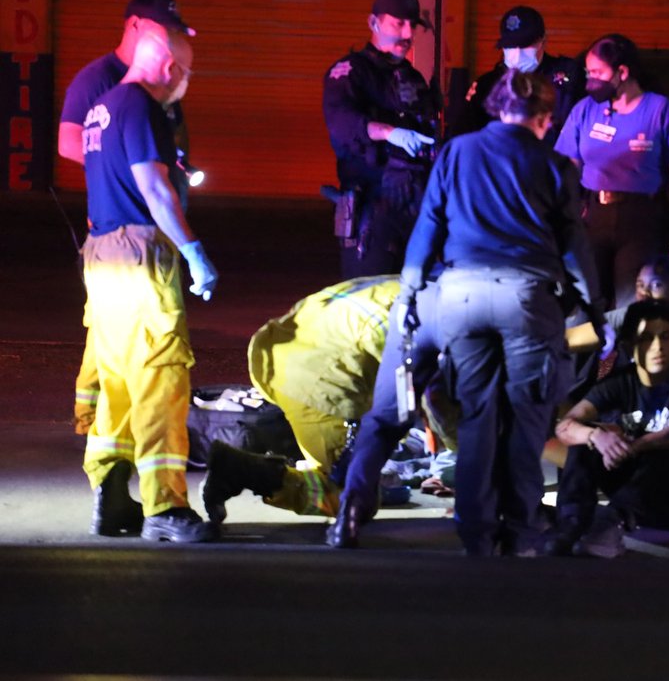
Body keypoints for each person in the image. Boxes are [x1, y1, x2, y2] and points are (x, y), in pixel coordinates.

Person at [328, 69, 610, 555]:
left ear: (497, 108)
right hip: (526, 299)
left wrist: (410, 292)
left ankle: (476, 531)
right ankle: (519, 529)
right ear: (544, 117)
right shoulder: (554, 164)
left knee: (478, 413)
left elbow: (427, 226)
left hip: (456, 297)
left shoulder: (457, 152)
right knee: (524, 418)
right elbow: (574, 247)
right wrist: (594, 309)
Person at [80, 28, 217, 543]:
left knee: (115, 380)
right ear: (168, 68)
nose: (185, 83)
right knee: (161, 378)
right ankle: (165, 508)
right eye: (185, 73)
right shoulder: (142, 107)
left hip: (100, 256)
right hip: (139, 256)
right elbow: (154, 189)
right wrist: (194, 252)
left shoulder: (103, 106)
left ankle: (111, 497)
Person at [202, 277, 448, 528]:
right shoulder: (435, 323)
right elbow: (436, 404)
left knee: (366, 455)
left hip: (284, 351)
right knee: (351, 498)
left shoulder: (418, 286)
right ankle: (239, 471)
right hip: (315, 379)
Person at [59, 0, 196, 436]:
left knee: (114, 333)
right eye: (165, 29)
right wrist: (130, 167)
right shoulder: (101, 81)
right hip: (125, 226)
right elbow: (70, 143)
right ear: (136, 27)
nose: (172, 39)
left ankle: (105, 431)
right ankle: (95, 418)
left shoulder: (155, 84)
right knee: (120, 337)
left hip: (143, 225)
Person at [551, 299, 669, 558]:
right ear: (630, 345)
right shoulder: (620, 382)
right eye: (646, 338)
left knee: (668, 442)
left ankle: (610, 524)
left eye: (665, 337)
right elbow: (566, 427)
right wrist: (597, 436)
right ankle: (572, 521)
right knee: (588, 438)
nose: (657, 347)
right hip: (637, 497)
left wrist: (638, 445)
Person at [554, 33, 669, 309]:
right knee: (587, 304)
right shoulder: (585, 110)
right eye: (587, 72)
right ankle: (592, 352)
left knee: (631, 304)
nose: (590, 79)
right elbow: (566, 168)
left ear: (622, 72)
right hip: (593, 216)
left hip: (640, 220)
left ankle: (626, 351)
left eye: (597, 72)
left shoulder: (660, 111)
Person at [322, 0, 442, 279]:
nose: (406, 34)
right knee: (367, 292)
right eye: (397, 23)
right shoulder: (350, 71)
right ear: (374, 23)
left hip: (415, 202)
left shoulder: (412, 77)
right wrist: (390, 133)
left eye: (412, 26)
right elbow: (342, 121)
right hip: (372, 203)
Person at [451, 5, 583, 146]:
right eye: (510, 46)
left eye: (525, 45)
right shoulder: (489, 84)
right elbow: (465, 132)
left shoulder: (568, 77)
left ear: (543, 41)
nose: (517, 53)